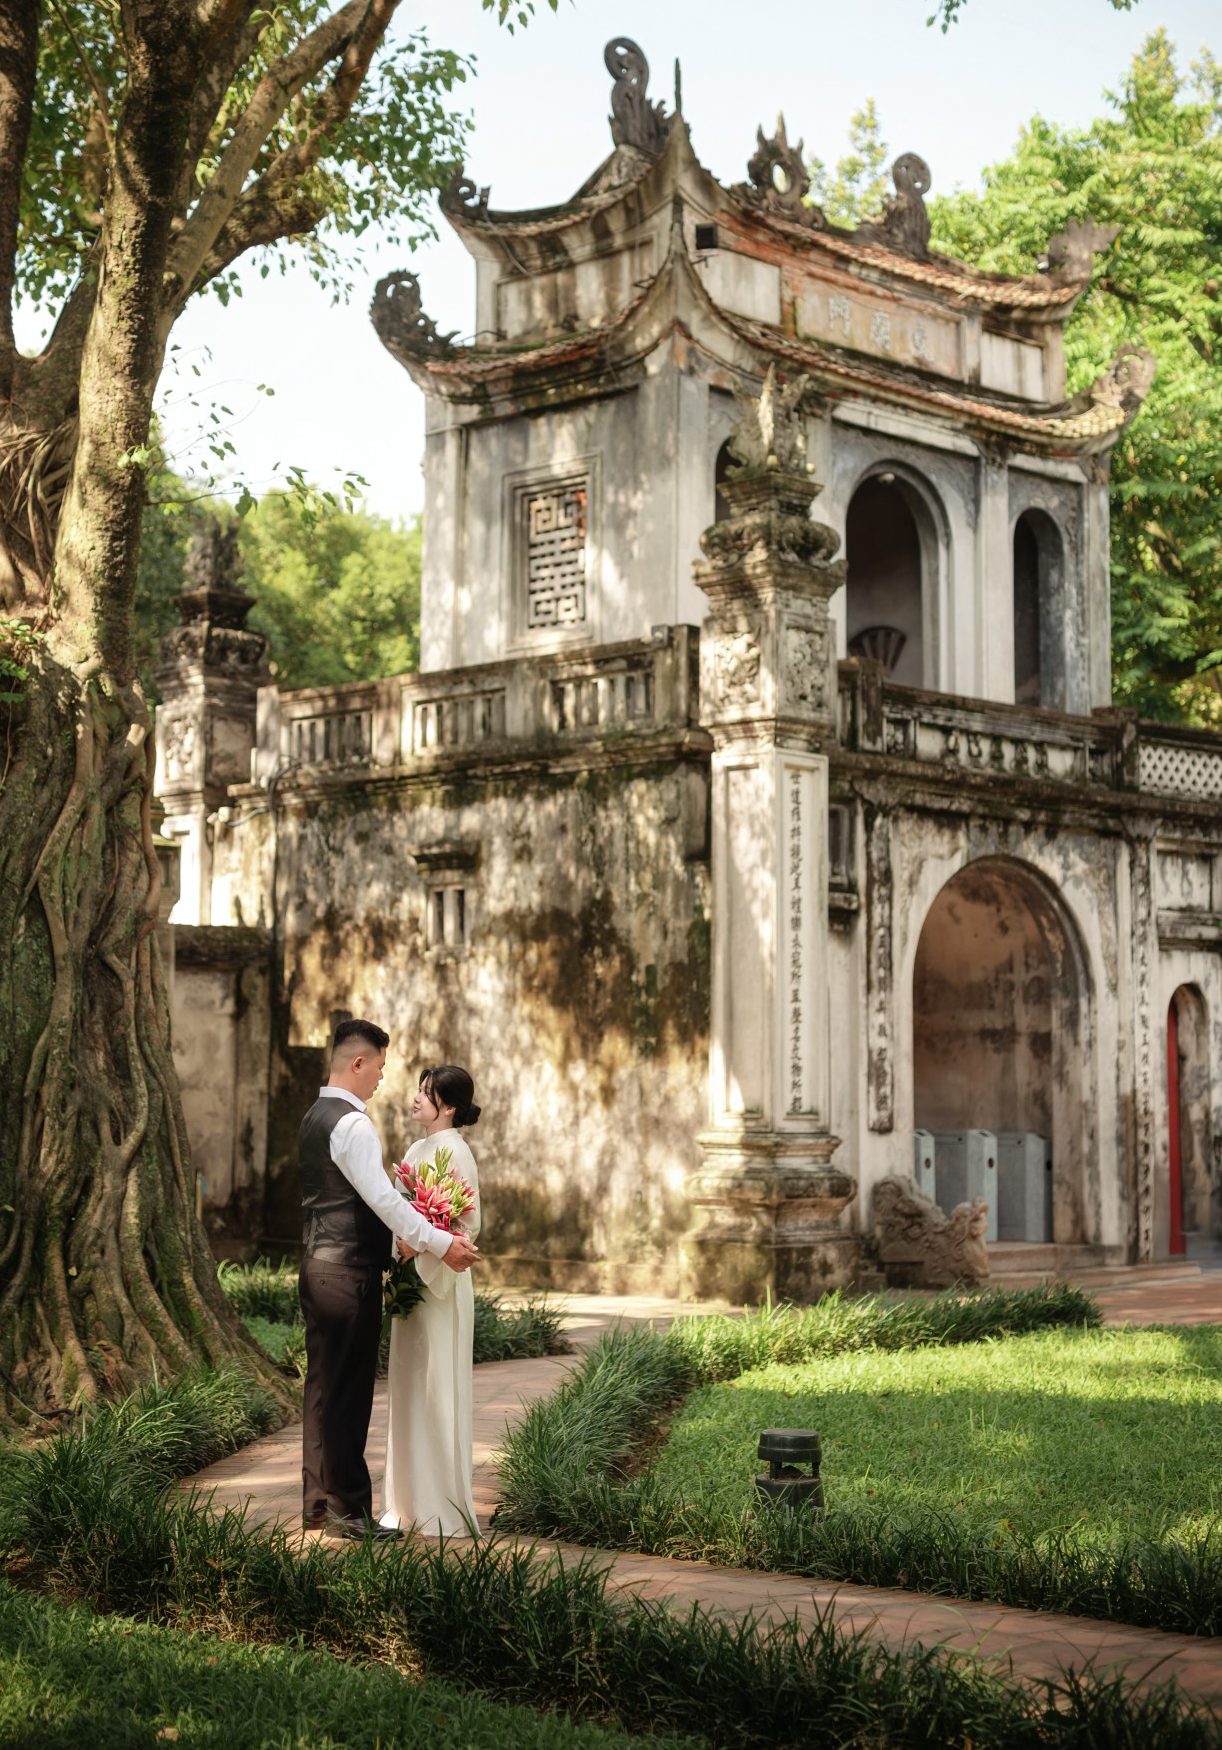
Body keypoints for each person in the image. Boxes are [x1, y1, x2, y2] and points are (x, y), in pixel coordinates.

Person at [298, 1021, 479, 1540]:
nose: (381, 1077)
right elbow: (382, 1201)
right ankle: (349, 1512)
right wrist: (439, 1242)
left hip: (316, 1266)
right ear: (357, 1063)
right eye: (379, 1066)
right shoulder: (353, 1125)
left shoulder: (314, 1116)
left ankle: (318, 1503)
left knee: (322, 1389)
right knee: (348, 1396)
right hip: (347, 1272)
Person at [380, 1064, 482, 1538]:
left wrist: (418, 1247)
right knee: (407, 1387)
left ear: (450, 1106)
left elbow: (467, 1226)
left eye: (428, 1092)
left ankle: (442, 1509)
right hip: (409, 1283)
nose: (417, 1098)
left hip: (438, 1286)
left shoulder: (456, 1152)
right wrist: (398, 1247)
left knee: (437, 1388)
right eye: (419, 1090)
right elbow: (396, 1213)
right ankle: (405, 1505)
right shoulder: (415, 1150)